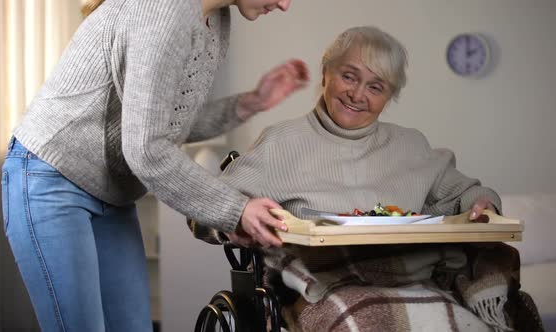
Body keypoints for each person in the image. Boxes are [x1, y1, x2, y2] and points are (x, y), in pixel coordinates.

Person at [190, 26, 537, 331]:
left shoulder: (410, 145)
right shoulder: (280, 142)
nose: (358, 95)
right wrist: (237, 219)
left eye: (376, 86)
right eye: (349, 76)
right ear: (326, 73)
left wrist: (482, 204)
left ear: (389, 97)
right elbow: (205, 209)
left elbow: (467, 195)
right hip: (320, 286)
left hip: (412, 279)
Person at [1, 0, 309, 331]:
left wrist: (251, 102)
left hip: (111, 194)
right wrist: (236, 209)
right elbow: (146, 150)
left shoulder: (216, 22)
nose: (285, 4)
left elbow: (162, 122)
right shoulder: (164, 9)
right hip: (51, 177)